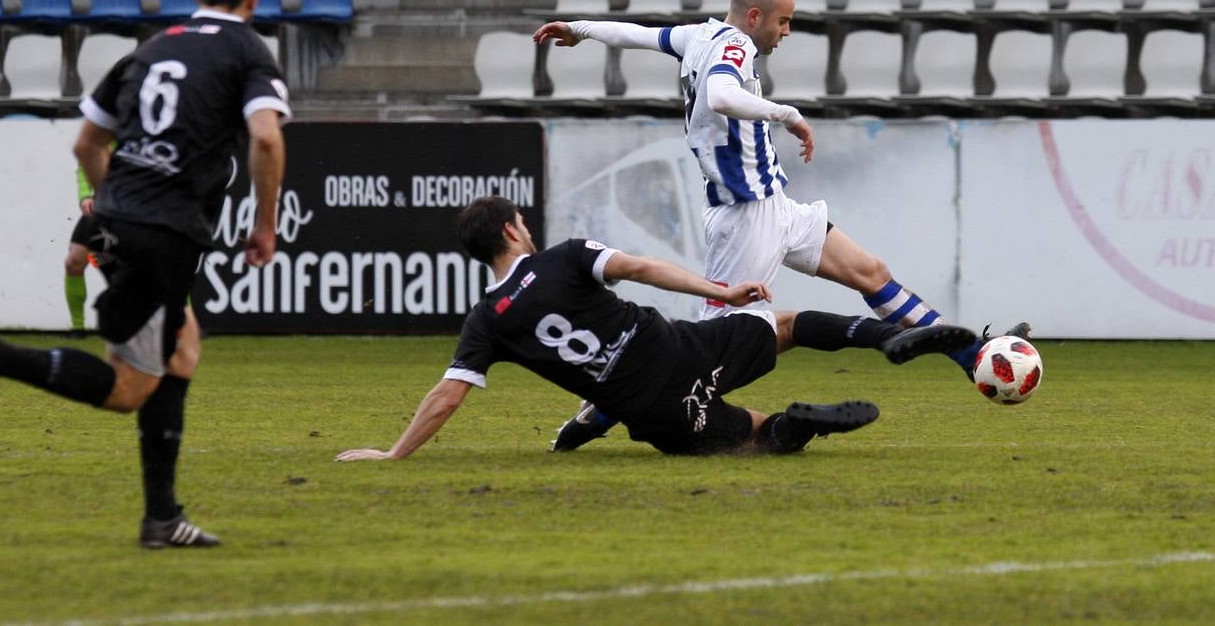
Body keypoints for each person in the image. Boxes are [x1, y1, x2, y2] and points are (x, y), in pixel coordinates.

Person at [533, 0, 1027, 448]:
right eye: (783, 21)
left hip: (776, 207)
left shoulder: (697, 35)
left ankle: (968, 354)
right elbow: (721, 95)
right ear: (754, 17)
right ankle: (602, 410)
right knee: (707, 353)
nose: (786, 31)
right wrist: (786, 114)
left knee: (870, 272)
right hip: (748, 217)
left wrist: (578, 30)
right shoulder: (734, 45)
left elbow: (637, 33)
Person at [0, 0, 290, 549]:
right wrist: (266, 224)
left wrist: (116, 210)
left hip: (119, 223)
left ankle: (163, 518)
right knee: (128, 389)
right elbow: (267, 140)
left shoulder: (150, 50)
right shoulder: (249, 52)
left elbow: (87, 146)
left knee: (184, 348)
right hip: (164, 237)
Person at [335, 196, 975, 462]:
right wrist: (721, 291)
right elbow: (643, 269)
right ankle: (884, 338)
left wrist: (393, 456)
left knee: (754, 439)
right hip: (681, 349)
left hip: (653, 411)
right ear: (511, 231)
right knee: (787, 326)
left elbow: (450, 394)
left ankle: (797, 424)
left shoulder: (485, 323)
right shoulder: (564, 256)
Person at [64, 166, 98, 335]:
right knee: (74, 262)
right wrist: (85, 196)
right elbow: (84, 167)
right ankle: (78, 327)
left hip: (138, 210)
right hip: (102, 205)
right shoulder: (100, 140)